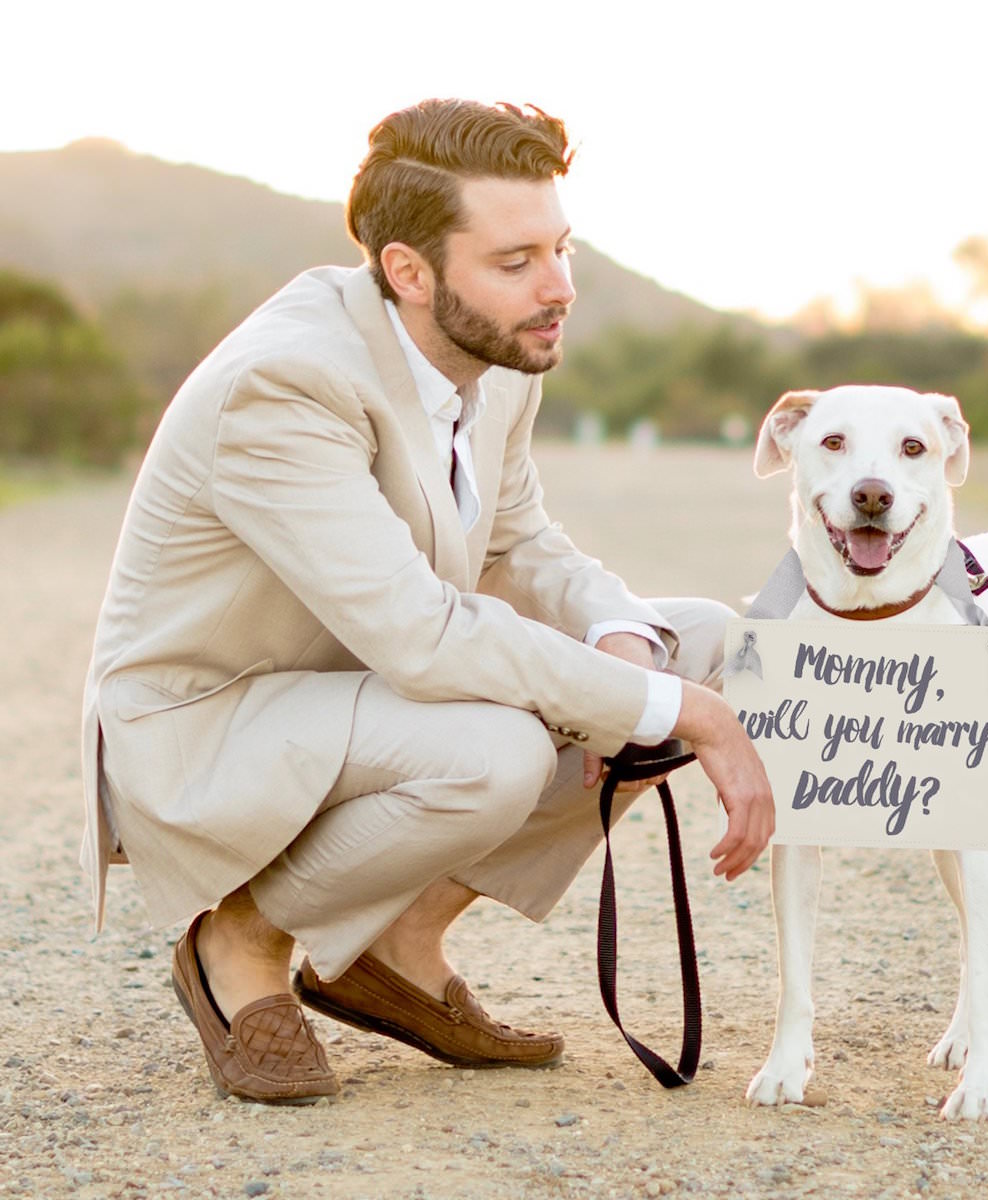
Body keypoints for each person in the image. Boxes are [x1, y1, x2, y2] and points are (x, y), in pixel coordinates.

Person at [81, 98, 773, 1105]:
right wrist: (678, 714)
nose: (559, 288)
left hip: (363, 689)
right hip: (215, 720)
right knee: (495, 752)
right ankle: (239, 940)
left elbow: (518, 543)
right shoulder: (286, 380)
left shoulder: (493, 349)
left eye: (561, 250)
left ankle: (396, 943)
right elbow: (420, 636)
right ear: (408, 270)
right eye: (517, 261)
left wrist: (626, 640)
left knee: (694, 640)